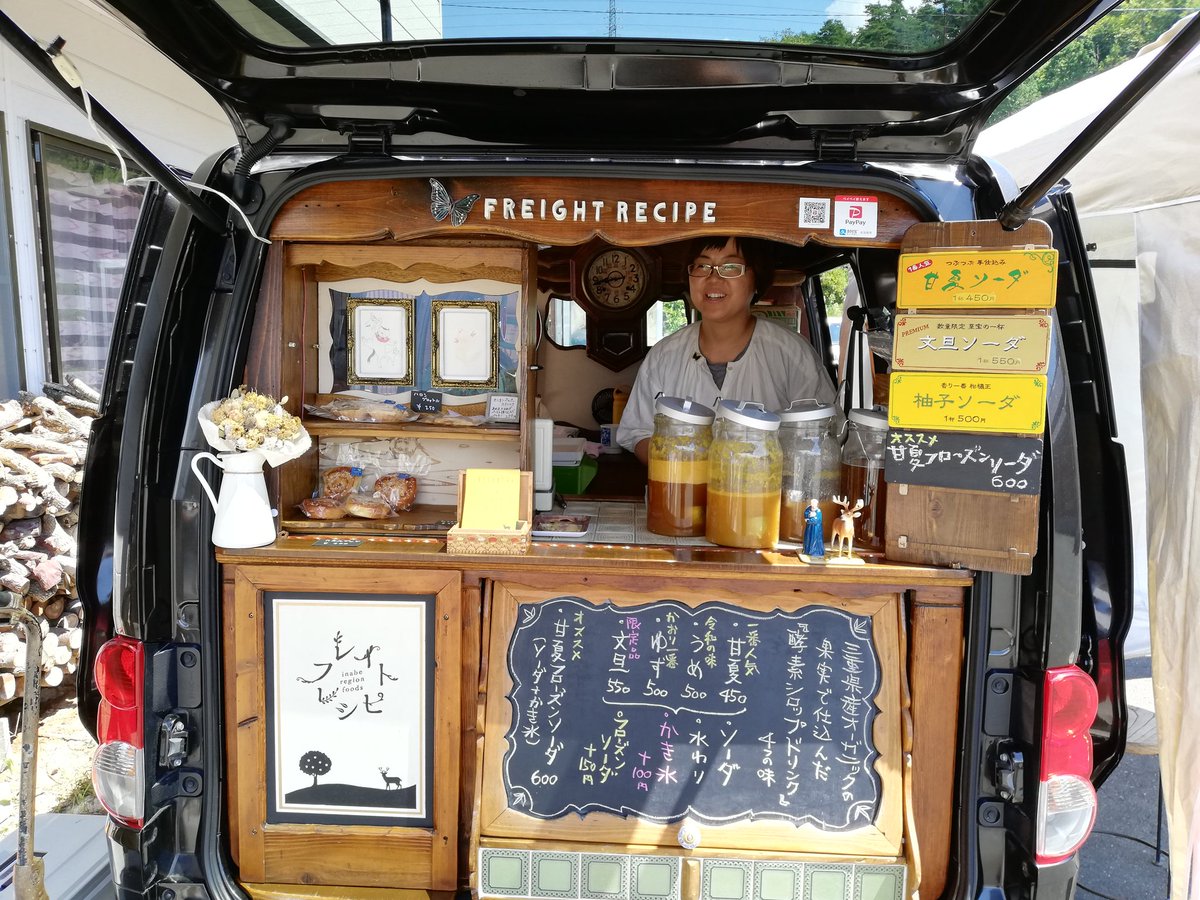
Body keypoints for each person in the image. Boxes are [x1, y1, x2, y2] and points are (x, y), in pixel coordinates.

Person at [617, 235, 837, 463]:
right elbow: (638, 432)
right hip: (684, 495)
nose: (713, 279)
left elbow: (825, 435)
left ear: (757, 280)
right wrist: (681, 467)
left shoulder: (792, 354)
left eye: (731, 267)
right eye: (703, 266)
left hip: (766, 496)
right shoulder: (664, 356)